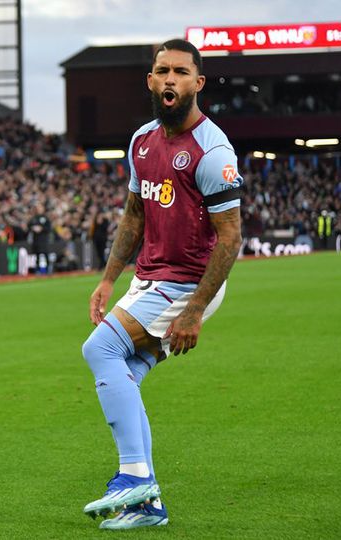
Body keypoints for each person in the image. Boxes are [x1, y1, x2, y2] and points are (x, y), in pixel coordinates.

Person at [81, 39, 244, 530]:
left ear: (198, 83)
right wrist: (110, 278)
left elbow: (231, 236)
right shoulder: (141, 141)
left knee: (100, 350)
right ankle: (148, 505)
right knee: (124, 370)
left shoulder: (213, 151)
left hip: (189, 284)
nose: (170, 78)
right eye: (161, 71)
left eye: (180, 71)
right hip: (148, 278)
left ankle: (133, 476)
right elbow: (134, 215)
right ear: (150, 81)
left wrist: (195, 309)